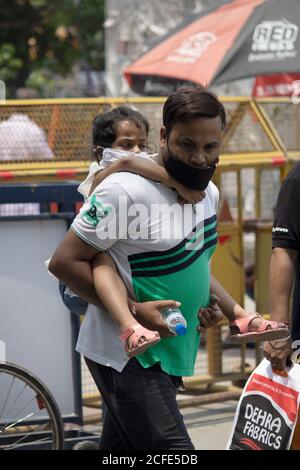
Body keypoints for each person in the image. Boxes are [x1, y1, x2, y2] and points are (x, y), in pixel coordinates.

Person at [49, 88, 287, 450]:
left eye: (210, 147)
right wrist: (133, 310)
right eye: (187, 145)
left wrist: (204, 309)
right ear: (163, 136)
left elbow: (191, 264)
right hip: (128, 358)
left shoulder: (209, 195)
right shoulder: (123, 191)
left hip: (173, 350)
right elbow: (65, 263)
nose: (199, 157)